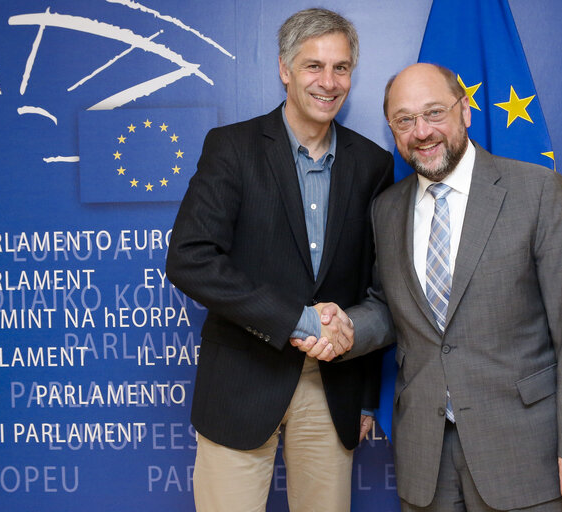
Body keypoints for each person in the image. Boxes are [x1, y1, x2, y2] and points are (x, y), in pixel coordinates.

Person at [298, 63, 562, 511]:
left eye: (434, 113)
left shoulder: (537, 191)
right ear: (391, 129)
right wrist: (346, 326)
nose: (421, 131)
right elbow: (392, 309)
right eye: (405, 120)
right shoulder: (387, 210)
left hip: (524, 452)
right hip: (426, 459)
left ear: (465, 111)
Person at [165, 8, 393, 512]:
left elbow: (375, 287)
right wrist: (295, 318)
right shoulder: (232, 148)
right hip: (242, 382)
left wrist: (366, 396)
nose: (328, 82)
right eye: (313, 66)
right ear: (284, 69)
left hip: (332, 387)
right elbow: (189, 258)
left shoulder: (373, 164)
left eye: (341, 68)